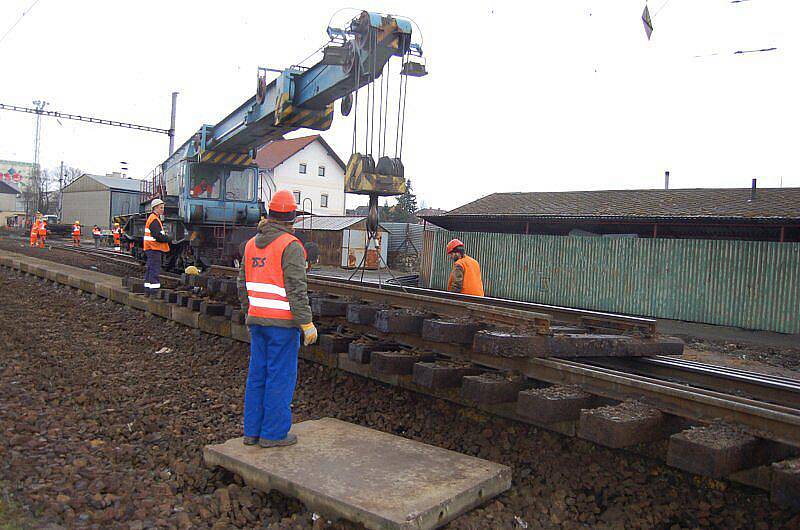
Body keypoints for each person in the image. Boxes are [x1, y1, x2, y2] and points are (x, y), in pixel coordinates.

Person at [237, 189, 317, 448]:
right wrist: (306, 323)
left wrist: (250, 312)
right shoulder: (290, 245)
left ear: (270, 215)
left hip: (258, 321)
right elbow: (296, 288)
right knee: (280, 377)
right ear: (292, 217)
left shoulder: (250, 245)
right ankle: (272, 434)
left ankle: (252, 432)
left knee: (257, 375)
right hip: (282, 325)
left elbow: (242, 284)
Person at [144, 199, 170, 296]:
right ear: (155, 208)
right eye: (161, 208)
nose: (162, 210)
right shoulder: (154, 219)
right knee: (154, 269)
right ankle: (154, 291)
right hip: (154, 248)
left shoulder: (153, 218)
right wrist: (168, 239)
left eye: (163, 207)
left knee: (150, 269)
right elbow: (157, 236)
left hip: (151, 248)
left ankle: (147, 290)